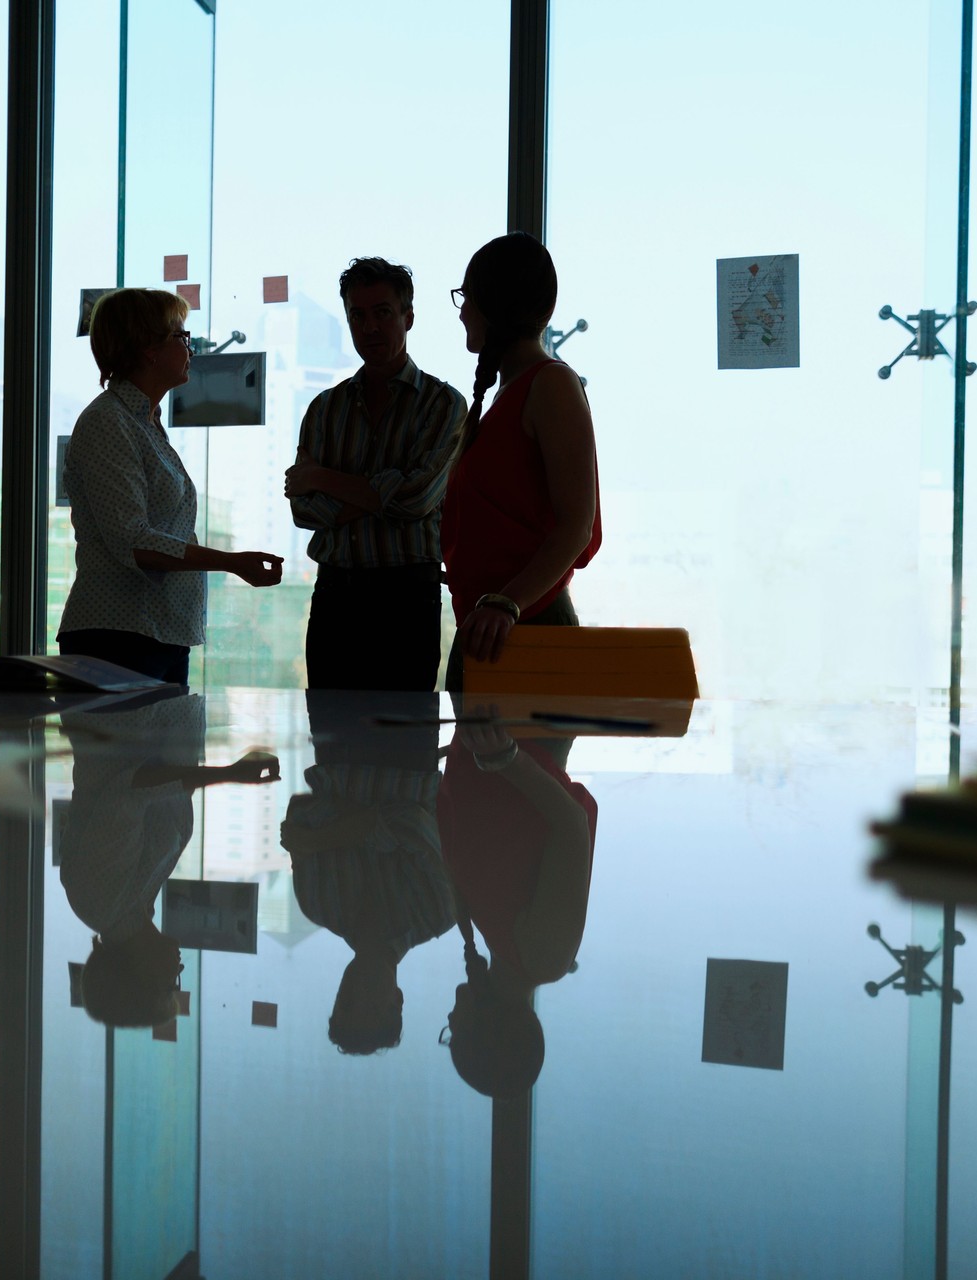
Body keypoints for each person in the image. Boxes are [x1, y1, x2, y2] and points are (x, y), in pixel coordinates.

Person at [60, 287, 284, 683]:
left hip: (156, 632)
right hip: (118, 636)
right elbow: (134, 541)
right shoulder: (108, 421)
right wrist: (230, 562)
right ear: (149, 349)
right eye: (181, 337)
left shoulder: (143, 423)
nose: (190, 348)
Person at [285, 258, 468, 691]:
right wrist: (383, 492)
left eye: (382, 312)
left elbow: (416, 501)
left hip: (407, 597)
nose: (369, 327)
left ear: (408, 317)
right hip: (334, 596)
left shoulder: (443, 404)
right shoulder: (324, 409)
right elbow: (303, 510)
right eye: (358, 315)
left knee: (405, 746)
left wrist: (323, 478)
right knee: (329, 741)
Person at [60, 687, 279, 1028]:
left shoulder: (99, 903)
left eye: (169, 985)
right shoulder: (136, 903)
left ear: (133, 978)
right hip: (155, 708)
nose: (179, 972)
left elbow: (130, 792)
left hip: (121, 707)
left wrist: (228, 774)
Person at [442, 233, 602, 692]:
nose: (461, 311)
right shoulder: (509, 395)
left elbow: (577, 527)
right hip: (492, 626)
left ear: (492, 304)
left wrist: (505, 603)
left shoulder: (551, 384)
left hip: (524, 626)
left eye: (465, 297)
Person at [281, 691, 455, 1054]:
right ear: (398, 1000)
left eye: (344, 1004)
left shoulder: (317, 904)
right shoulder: (437, 913)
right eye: (371, 1006)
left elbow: (300, 811)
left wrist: (364, 824)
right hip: (407, 738)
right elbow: (414, 824)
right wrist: (323, 839)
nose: (355, 994)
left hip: (335, 736)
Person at [437, 717, 596, 1097]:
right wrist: (505, 758)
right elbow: (572, 827)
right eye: (455, 1034)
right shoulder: (544, 958)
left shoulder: (495, 942)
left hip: (491, 732)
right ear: (489, 1031)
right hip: (523, 731)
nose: (449, 1020)